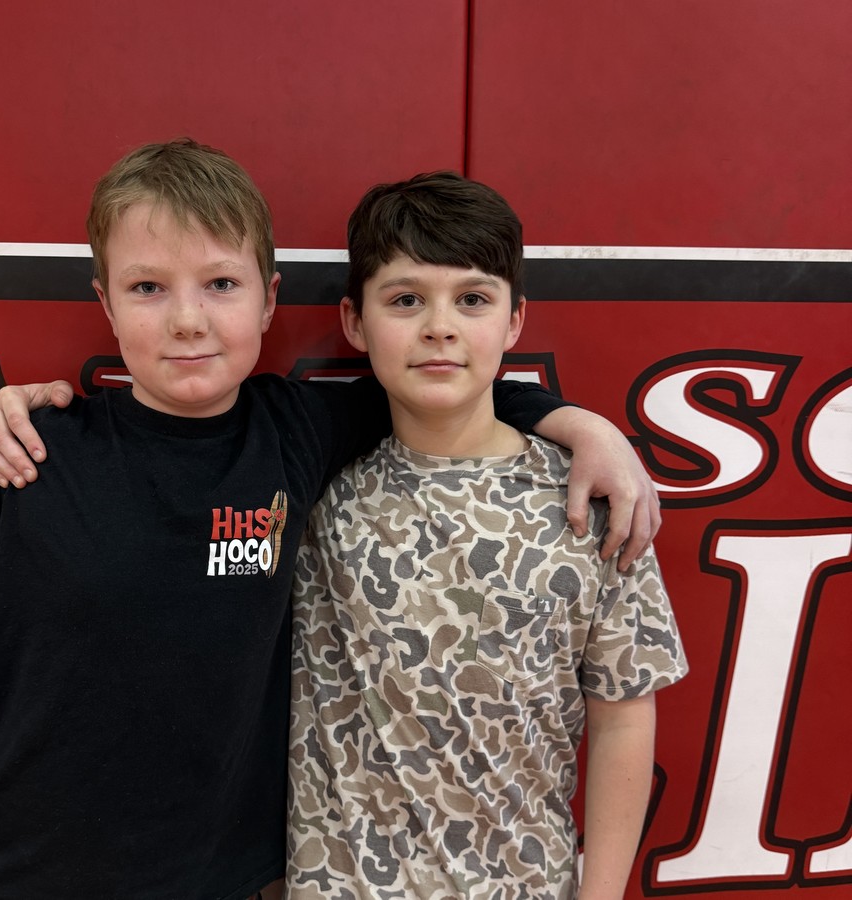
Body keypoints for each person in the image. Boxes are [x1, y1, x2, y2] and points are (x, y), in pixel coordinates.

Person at [0, 139, 656, 900]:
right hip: (24, 872)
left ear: (268, 300)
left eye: (220, 284)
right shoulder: (38, 454)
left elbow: (444, 383)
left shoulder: (296, 432)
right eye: (148, 288)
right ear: (106, 302)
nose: (188, 320)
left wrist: (582, 426)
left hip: (223, 880)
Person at [287, 172, 687, 899]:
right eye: (405, 300)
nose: (439, 327)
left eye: (472, 299)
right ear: (354, 321)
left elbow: (625, 716)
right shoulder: (310, 490)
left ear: (514, 320)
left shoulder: (591, 498)